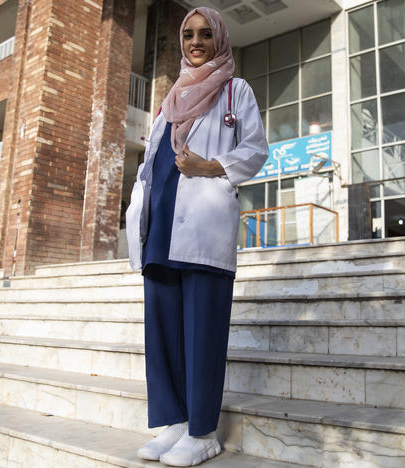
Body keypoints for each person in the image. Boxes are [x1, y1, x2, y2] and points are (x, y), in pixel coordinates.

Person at [125, 6, 268, 467]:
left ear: (220, 39)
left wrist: (212, 166)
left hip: (204, 226)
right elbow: (151, 162)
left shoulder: (235, 90)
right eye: (189, 34)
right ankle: (174, 423)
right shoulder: (171, 100)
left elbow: (256, 149)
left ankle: (203, 431)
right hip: (161, 226)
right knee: (163, 330)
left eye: (206, 34)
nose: (196, 42)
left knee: (201, 331)